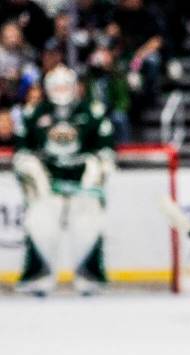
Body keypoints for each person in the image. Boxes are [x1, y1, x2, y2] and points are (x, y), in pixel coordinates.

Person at [14, 65, 115, 296]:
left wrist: (96, 170)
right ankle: (37, 275)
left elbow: (106, 149)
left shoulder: (92, 112)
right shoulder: (33, 113)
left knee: (90, 225)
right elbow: (22, 151)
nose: (61, 91)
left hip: (83, 183)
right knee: (39, 225)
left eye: (65, 86)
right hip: (47, 183)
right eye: (56, 87)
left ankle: (91, 275)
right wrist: (33, 172)